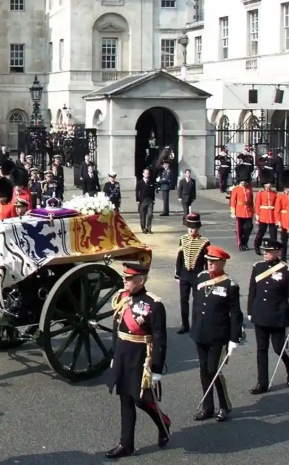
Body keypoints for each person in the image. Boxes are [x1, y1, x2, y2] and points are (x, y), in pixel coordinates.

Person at [105, 259, 170, 459]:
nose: (125, 282)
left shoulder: (154, 304)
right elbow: (117, 328)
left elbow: (160, 338)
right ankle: (126, 444)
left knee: (141, 399)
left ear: (141, 280)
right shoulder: (122, 298)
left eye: (129, 279)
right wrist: (114, 354)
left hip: (141, 356)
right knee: (125, 398)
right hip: (123, 353)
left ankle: (163, 423)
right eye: (124, 278)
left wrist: (157, 368)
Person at [190, 246, 243, 423]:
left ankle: (225, 405)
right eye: (209, 261)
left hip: (218, 335)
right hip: (201, 332)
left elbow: (235, 313)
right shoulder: (201, 278)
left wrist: (234, 338)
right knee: (204, 371)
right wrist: (194, 326)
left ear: (222, 263)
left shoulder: (230, 284)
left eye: (214, 262)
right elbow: (196, 305)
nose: (210, 264)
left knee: (214, 370)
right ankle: (208, 407)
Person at [247, 239, 289, 394]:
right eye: (264, 251)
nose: (265, 254)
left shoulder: (286, 270)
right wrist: (250, 311)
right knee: (261, 349)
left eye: (268, 251)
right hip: (260, 314)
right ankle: (262, 383)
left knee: (278, 348)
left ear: (277, 252)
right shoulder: (258, 267)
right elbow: (252, 291)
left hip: (277, 315)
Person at [174, 213, 209, 335]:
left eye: (193, 228)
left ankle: (196, 324)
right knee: (183, 300)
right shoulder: (183, 239)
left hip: (197, 275)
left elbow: (206, 261)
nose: (191, 230)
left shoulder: (204, 242)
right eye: (189, 228)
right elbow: (179, 258)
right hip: (184, 274)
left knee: (197, 301)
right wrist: (177, 273)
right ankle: (185, 324)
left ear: (198, 228)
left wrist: (206, 276)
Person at [274, 170, 289, 263]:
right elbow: (277, 210)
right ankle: (283, 258)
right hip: (284, 221)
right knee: (284, 242)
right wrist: (278, 222)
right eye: (288, 187)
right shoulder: (280, 196)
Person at [253, 170, 278, 254]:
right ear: (264, 184)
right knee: (261, 233)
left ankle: (273, 248)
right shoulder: (260, 193)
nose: (269, 185)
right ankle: (257, 245)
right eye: (267, 183)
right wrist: (257, 215)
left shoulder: (274, 194)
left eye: (270, 183)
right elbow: (257, 205)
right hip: (263, 215)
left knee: (273, 235)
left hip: (272, 216)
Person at [229, 169, 254, 250]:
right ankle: (240, 244)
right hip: (239, 211)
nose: (243, 182)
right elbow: (233, 201)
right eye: (242, 180)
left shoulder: (249, 188)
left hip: (248, 211)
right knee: (239, 230)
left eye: (244, 180)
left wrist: (253, 211)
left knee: (249, 227)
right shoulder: (236, 189)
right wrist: (233, 212)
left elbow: (251, 200)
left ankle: (245, 242)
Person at [135, 168, 156, 234]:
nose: (147, 175)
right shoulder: (139, 182)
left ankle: (149, 228)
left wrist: (153, 199)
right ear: (143, 174)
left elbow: (153, 191)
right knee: (142, 215)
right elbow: (137, 192)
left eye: (148, 173)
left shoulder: (151, 181)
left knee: (150, 214)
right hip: (142, 200)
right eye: (146, 173)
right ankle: (143, 228)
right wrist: (137, 200)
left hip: (150, 200)